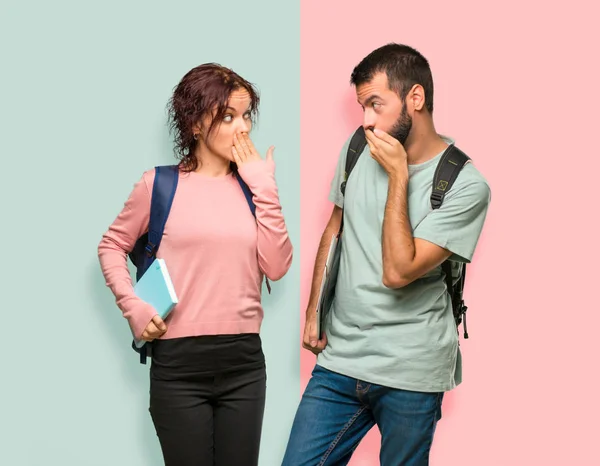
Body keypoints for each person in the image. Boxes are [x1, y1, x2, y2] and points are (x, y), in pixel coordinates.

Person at [282, 43, 491, 466]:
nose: (366, 120)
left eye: (376, 105)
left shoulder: (467, 186)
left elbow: (399, 270)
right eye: (362, 107)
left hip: (411, 370)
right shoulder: (358, 147)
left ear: (415, 98)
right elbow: (335, 227)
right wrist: (312, 310)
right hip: (341, 358)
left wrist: (399, 174)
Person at [98, 63, 293, 466]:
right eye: (228, 117)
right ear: (196, 123)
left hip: (244, 363)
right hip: (178, 366)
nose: (243, 129)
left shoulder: (254, 186)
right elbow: (112, 246)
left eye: (245, 117)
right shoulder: (158, 184)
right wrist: (133, 307)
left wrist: (265, 185)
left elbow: (276, 267)